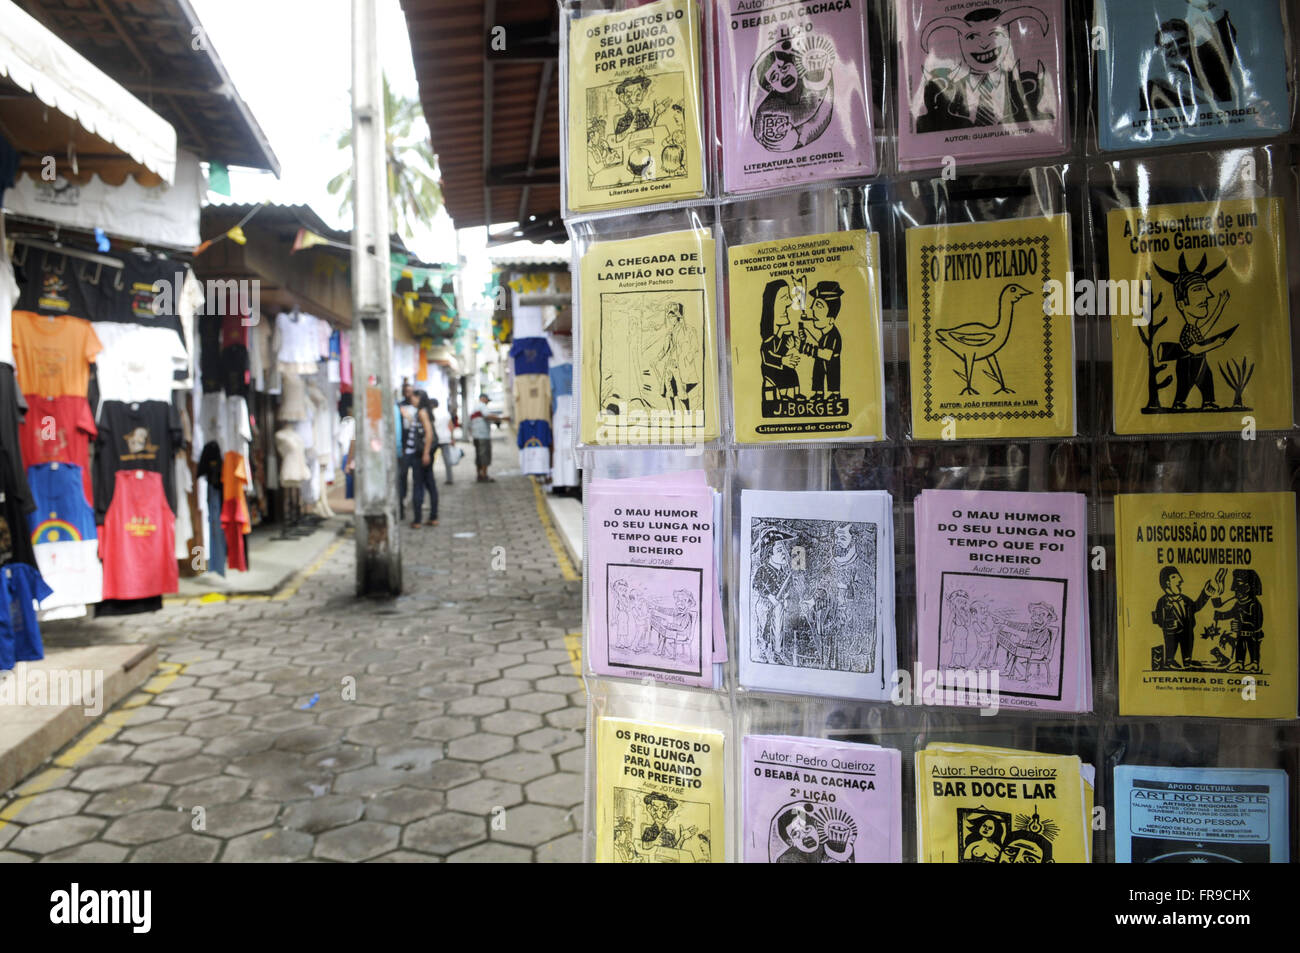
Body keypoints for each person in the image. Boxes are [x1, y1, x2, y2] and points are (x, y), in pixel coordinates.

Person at [1153, 565, 1211, 669]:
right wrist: (1166, 624)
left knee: (1187, 644)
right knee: (1171, 644)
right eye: (1175, 577)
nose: (1181, 580)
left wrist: (1206, 593)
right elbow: (1157, 618)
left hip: (1187, 630)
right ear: (1167, 583)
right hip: (1171, 632)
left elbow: (1196, 606)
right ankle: (1170, 661)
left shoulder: (1185, 599)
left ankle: (1187, 661)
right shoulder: (1162, 602)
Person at [402, 390, 437, 528]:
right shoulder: (422, 412)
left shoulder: (422, 412)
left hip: (420, 454)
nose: (412, 400)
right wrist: (409, 418)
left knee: (419, 485)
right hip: (421, 453)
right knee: (429, 484)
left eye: (414, 397)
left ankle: (418, 519)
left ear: (419, 398)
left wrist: (426, 453)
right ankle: (432, 516)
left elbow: (429, 433)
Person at [468, 393, 506, 483]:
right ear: (483, 399)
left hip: (476, 435)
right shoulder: (482, 406)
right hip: (483, 436)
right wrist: (500, 418)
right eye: (487, 400)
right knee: (484, 456)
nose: (487, 403)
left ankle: (479, 475)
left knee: (478, 456)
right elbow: (487, 415)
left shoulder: (474, 407)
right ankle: (484, 475)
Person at [429, 397, 456, 485]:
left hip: (434, 439)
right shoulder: (445, 413)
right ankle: (450, 478)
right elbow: (451, 426)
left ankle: (430, 478)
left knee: (431, 459)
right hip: (445, 438)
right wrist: (452, 438)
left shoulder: (430, 414)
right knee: (447, 459)